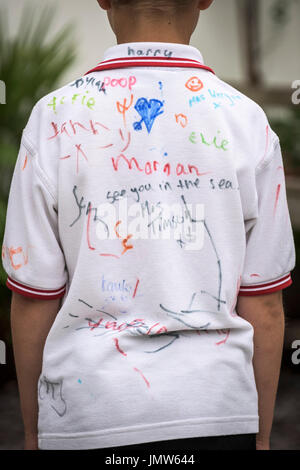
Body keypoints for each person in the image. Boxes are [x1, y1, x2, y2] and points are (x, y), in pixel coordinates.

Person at [2, 0, 296, 452]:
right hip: (216, 413)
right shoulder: (247, 122)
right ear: (204, 0)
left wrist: (33, 435)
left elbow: (32, 300)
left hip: (87, 414)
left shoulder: (53, 118)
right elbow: (266, 304)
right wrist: (259, 436)